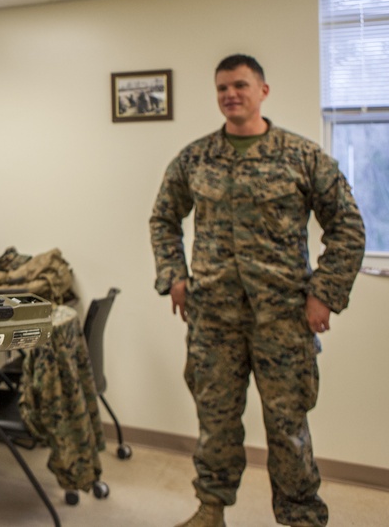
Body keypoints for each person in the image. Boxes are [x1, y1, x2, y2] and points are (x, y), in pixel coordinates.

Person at [149, 54, 365, 527]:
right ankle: (210, 510)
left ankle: (301, 516)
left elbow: (347, 225)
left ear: (262, 91)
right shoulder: (195, 158)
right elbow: (164, 217)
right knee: (215, 424)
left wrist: (325, 292)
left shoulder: (302, 156)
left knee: (289, 430)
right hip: (213, 319)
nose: (231, 95)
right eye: (223, 87)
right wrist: (175, 275)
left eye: (241, 86)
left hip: (284, 318)